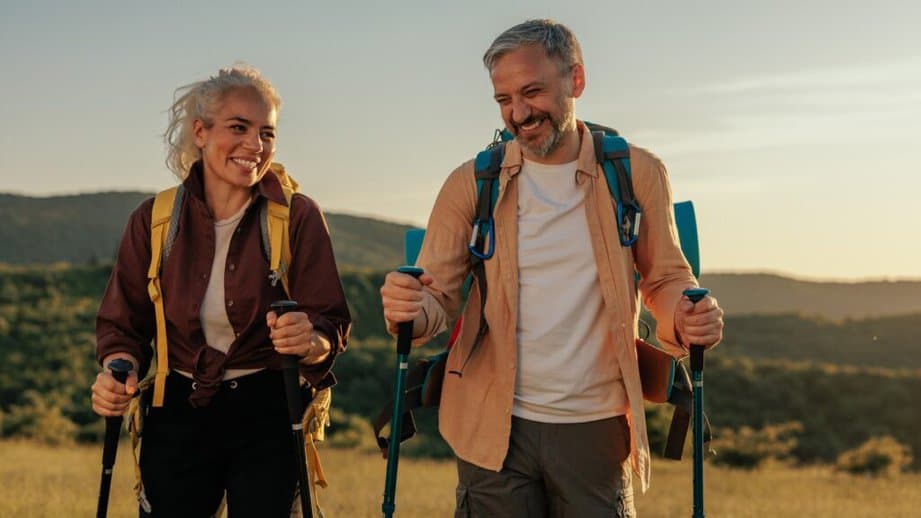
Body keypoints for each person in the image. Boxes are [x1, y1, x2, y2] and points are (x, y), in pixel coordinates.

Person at [380, 19, 723, 517]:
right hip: (490, 426)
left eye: (532, 92)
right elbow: (437, 300)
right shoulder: (472, 182)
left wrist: (687, 318)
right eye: (503, 100)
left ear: (576, 81)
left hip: (597, 425)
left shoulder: (635, 172)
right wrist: (408, 306)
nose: (518, 113)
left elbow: (667, 279)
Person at [90, 65, 351, 517]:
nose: (256, 145)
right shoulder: (154, 220)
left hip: (270, 409)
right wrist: (119, 371)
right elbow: (123, 325)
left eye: (267, 133)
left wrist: (309, 341)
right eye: (239, 128)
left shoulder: (297, 217)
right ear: (201, 132)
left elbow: (330, 321)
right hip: (176, 410)